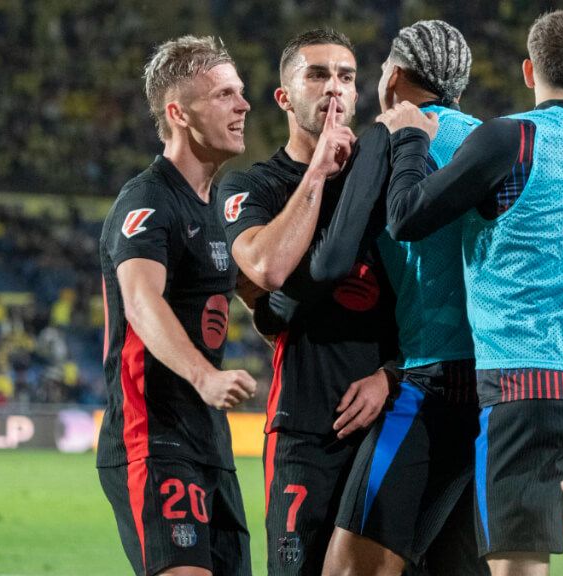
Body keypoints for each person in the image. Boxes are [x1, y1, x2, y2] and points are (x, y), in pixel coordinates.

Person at [383, 10, 563, 575]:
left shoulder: (512, 137)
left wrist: (408, 139)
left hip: (526, 385)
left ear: (530, 70)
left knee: (518, 565)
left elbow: (406, 217)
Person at [217, 29, 397, 576]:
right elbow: (266, 267)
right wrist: (318, 168)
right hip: (304, 426)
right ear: (284, 96)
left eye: (345, 76)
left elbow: (429, 296)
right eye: (317, 75)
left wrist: (391, 374)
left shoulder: (388, 183)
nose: (334, 88)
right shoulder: (251, 186)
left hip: (391, 419)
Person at [321, 20, 489, 576]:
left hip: (430, 386)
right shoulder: (498, 143)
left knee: (352, 569)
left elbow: (331, 261)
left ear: (391, 78)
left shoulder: (391, 138)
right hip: (499, 393)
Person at [97, 35, 256, 576]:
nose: (243, 105)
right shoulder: (147, 200)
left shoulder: (220, 207)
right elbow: (141, 301)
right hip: (152, 435)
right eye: (224, 94)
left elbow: (263, 299)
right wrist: (204, 377)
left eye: (240, 92)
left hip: (211, 445)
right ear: (178, 113)